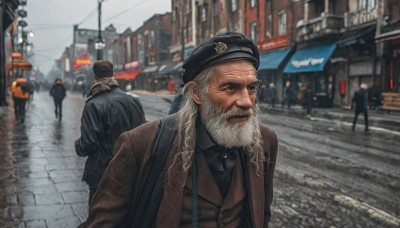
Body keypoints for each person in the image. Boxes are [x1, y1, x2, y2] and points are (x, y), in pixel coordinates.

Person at [80, 32, 278, 227]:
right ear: (196, 93)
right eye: (230, 88)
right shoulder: (140, 145)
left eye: (251, 88)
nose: (246, 102)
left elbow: (262, 214)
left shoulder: (266, 141)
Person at [75, 60, 146, 205]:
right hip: (130, 169)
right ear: (112, 74)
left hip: (102, 171)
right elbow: (144, 135)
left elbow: (88, 143)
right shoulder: (132, 101)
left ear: (95, 76)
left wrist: (78, 145)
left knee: (100, 216)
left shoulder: (93, 104)